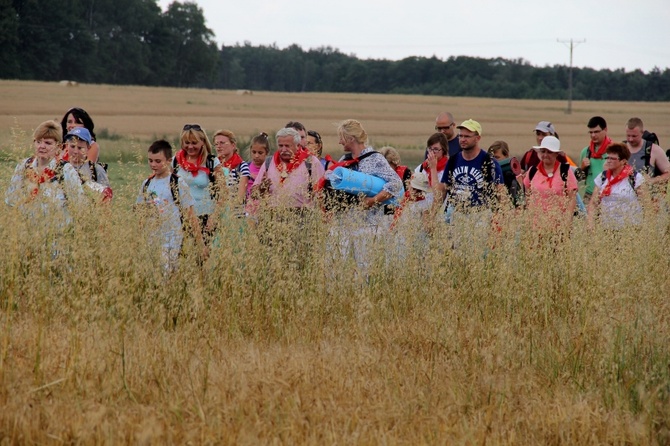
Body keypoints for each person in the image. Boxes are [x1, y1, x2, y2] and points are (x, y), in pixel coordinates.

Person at [136, 139, 204, 271]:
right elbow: (140, 212)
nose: (153, 165)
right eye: (150, 161)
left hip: (173, 238)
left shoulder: (177, 182)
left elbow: (190, 215)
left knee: (167, 273)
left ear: (168, 161)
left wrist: (200, 243)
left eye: (158, 161)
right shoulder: (147, 184)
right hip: (152, 237)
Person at [5, 120, 84, 226]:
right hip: (27, 233)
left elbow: (79, 205)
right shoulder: (23, 166)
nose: (41, 146)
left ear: (59, 147)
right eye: (38, 142)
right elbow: (11, 200)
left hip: (57, 237)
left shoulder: (66, 171)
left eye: (48, 143)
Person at [435, 119, 505, 223]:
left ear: (477, 138)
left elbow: (501, 193)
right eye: (461, 136)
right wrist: (432, 214)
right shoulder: (453, 160)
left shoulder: (489, 162)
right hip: (456, 214)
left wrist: (501, 219)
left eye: (467, 136)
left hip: (481, 216)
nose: (462, 139)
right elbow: (443, 189)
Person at [172, 124, 225, 242]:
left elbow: (223, 192)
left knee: (202, 256)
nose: (190, 147)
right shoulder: (175, 161)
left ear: (202, 142)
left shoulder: (211, 162)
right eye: (187, 143)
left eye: (194, 143)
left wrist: (214, 217)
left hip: (205, 217)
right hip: (180, 217)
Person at [252, 127, 325, 209]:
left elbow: (321, 194)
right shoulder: (269, 162)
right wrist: (261, 189)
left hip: (301, 216)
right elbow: (253, 195)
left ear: (298, 145)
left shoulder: (311, 162)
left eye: (287, 146)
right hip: (272, 216)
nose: (283, 149)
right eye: (280, 146)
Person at [522, 136, 578, 229]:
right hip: (536, 227)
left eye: (549, 152)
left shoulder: (565, 171)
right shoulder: (533, 171)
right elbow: (527, 195)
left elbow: (572, 199)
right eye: (543, 151)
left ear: (556, 154)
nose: (545, 155)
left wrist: (567, 221)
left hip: (559, 228)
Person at [587, 142, 645, 230]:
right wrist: (590, 224)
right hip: (607, 229)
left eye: (613, 158)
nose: (608, 161)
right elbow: (593, 203)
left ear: (623, 161)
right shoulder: (602, 177)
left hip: (631, 229)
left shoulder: (635, 178)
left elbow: (646, 203)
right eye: (607, 157)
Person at [63, 127, 113, 202]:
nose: (75, 151)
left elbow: (106, 198)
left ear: (88, 148)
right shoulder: (60, 168)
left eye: (80, 148)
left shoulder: (96, 170)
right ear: (67, 146)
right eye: (72, 146)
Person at [624, 117, 670, 193]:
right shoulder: (620, 149)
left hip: (647, 200)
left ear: (642, 133)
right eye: (628, 136)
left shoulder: (654, 150)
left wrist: (652, 181)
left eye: (634, 136)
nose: (630, 139)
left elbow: (668, 173)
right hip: (623, 200)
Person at [578, 116, 612, 204]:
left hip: (608, 197)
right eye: (591, 132)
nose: (593, 135)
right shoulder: (585, 152)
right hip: (588, 196)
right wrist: (582, 168)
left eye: (596, 132)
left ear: (605, 130)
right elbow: (579, 179)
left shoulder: (614, 152)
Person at [213, 129, 250, 204]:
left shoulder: (242, 166)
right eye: (216, 144)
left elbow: (241, 197)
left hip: (235, 212)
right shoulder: (212, 165)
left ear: (233, 145)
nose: (219, 146)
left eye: (222, 143)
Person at [246, 132, 271, 198]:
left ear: (267, 152)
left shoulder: (269, 169)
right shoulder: (245, 167)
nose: (256, 156)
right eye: (254, 152)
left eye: (260, 153)